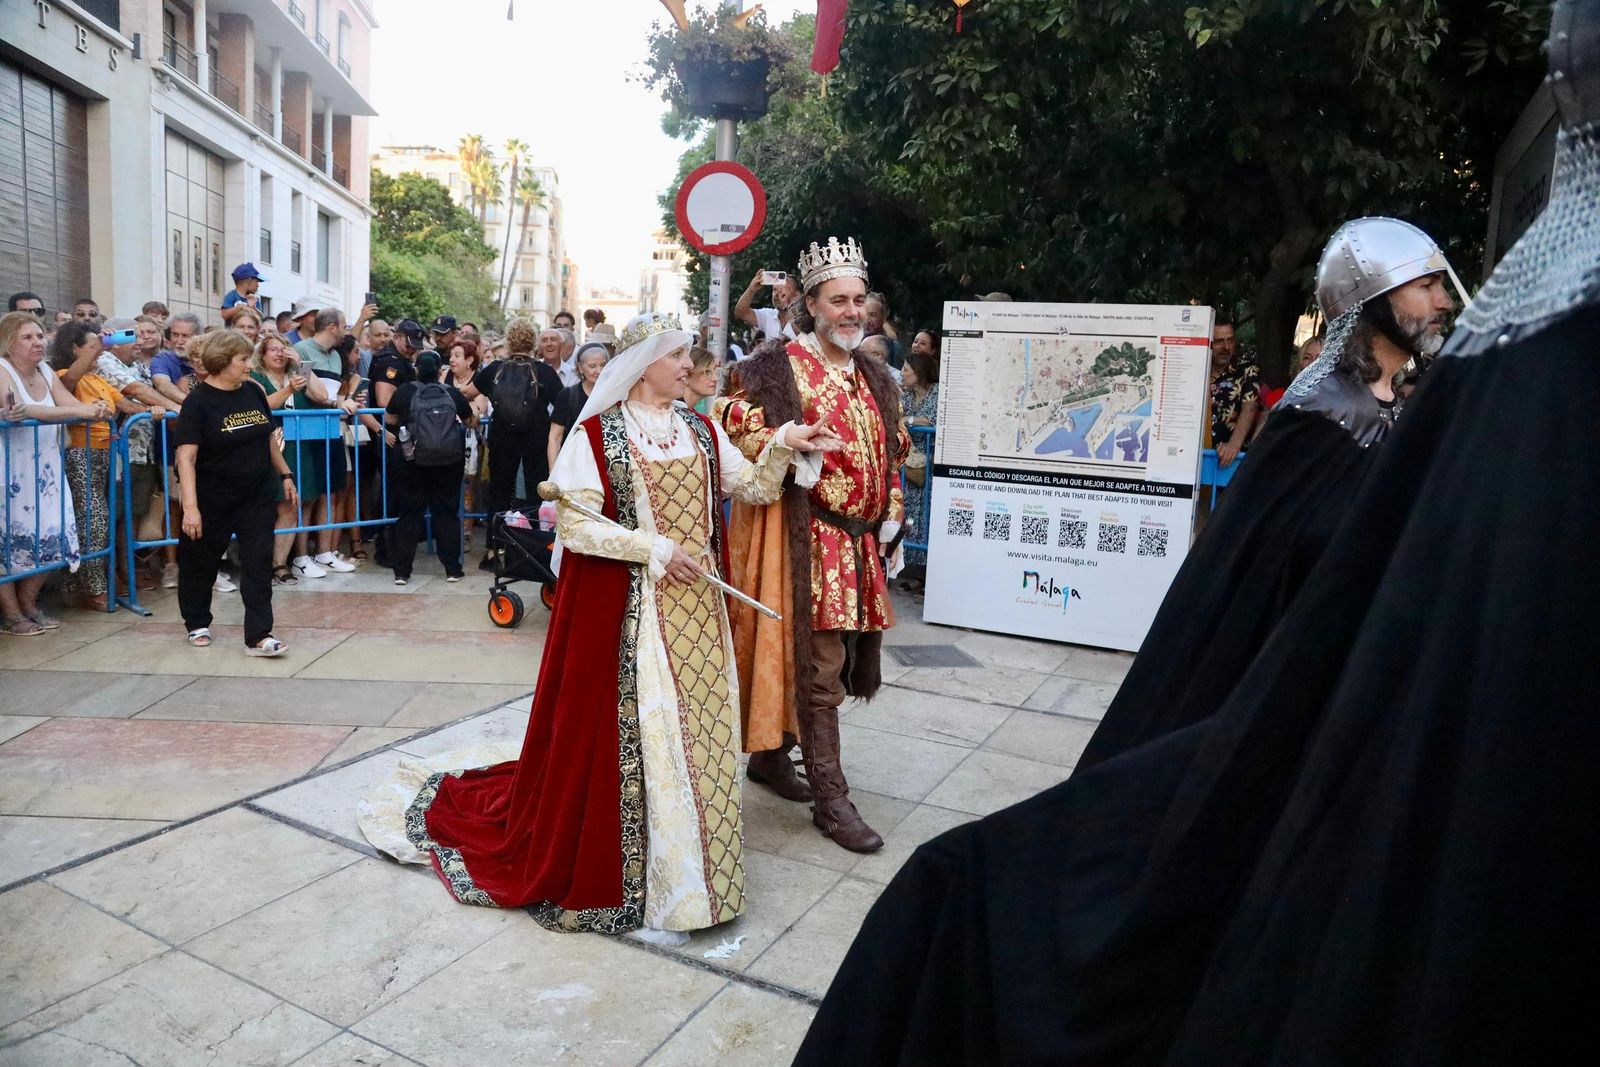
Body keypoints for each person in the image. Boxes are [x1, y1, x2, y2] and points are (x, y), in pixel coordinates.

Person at [794, 220, 1463, 1064]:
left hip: (1350, 710)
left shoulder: (1414, 409)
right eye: (1426, 282)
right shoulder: (1318, 420)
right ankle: (823, 785)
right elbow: (1250, 582)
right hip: (823, 544)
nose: (1442, 297)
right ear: (1369, 300)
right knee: (827, 683)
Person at [376, 311, 840, 939]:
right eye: (677, 355)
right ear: (644, 359)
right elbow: (574, 525)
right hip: (640, 609)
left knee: (701, 735)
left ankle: (703, 879)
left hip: (701, 609)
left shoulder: (700, 432)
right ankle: (654, 874)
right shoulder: (599, 435)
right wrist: (653, 549)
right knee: (654, 731)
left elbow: (753, 489)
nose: (688, 366)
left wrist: (785, 445)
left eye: (688, 356)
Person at [715, 237, 910, 854]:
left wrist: (891, 516)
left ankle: (771, 760)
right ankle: (833, 799)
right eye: (839, 300)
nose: (851, 311)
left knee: (839, 660)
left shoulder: (877, 373)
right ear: (813, 304)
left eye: (859, 301)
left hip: (860, 545)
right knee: (820, 671)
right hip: (805, 542)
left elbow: (894, 451)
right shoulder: (775, 368)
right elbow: (728, 416)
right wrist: (783, 436)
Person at [173, 331, 295, 656]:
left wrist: (285, 473)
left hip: (255, 495)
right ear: (223, 362)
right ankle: (197, 621)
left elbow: (267, 437)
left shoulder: (253, 392)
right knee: (201, 563)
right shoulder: (198, 402)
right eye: (243, 360)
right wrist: (191, 507)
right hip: (212, 497)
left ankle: (259, 635)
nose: (248, 365)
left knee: (257, 563)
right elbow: (186, 456)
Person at [0, 312, 109, 635]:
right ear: (9, 343)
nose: (38, 342)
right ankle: (11, 613)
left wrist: (94, 408)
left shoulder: (45, 370)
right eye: (27, 337)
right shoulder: (2, 369)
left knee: (53, 533)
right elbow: (26, 408)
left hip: (46, 467)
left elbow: (66, 401)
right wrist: (81, 410)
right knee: (7, 540)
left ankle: (30, 603)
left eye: (39, 335)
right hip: (11, 470)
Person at [52, 323, 144, 610]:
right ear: (74, 349)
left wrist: (156, 410)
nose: (100, 349)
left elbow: (127, 406)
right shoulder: (65, 376)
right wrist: (96, 349)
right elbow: (68, 383)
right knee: (94, 519)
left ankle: (79, 584)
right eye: (92, 345)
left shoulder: (98, 379)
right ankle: (93, 588)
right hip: (79, 454)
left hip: (105, 456)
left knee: (96, 520)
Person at [466, 317, 563, 569]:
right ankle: (535, 551)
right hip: (536, 437)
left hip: (501, 436)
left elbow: (466, 393)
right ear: (534, 342)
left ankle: (493, 551)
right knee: (536, 494)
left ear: (509, 341)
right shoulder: (544, 372)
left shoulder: (494, 369)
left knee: (499, 493)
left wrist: (471, 413)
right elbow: (563, 402)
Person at [385, 352, 470, 585]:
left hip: (411, 461)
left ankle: (402, 572)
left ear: (416, 369)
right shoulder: (451, 393)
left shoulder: (405, 391)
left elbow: (389, 418)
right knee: (446, 513)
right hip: (448, 462)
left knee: (410, 513)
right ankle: (453, 569)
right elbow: (470, 419)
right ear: (439, 371)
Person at [290, 308, 359, 577]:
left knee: (330, 491)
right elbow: (310, 390)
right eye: (344, 325)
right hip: (307, 429)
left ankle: (325, 552)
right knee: (307, 495)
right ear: (332, 327)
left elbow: (336, 392)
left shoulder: (336, 357)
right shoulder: (301, 349)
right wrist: (337, 403)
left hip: (332, 429)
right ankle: (300, 557)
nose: (346, 330)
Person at [248, 334, 310, 586]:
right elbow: (264, 406)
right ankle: (260, 564)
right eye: (272, 349)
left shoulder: (296, 374)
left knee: (290, 505)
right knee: (264, 508)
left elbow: (319, 394)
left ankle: (280, 563)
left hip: (297, 446)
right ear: (262, 355)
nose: (278, 353)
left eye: (283, 348)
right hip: (266, 446)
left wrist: (302, 363)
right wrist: (288, 389)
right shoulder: (255, 379)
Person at [898, 346, 940, 583]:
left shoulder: (937, 393)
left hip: (930, 464)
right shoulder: (906, 396)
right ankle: (911, 570)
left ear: (919, 371)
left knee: (927, 516)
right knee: (910, 514)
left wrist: (910, 420)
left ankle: (926, 575)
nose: (902, 373)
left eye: (906, 369)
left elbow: (934, 419)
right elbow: (896, 416)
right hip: (909, 463)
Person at [546, 341, 610, 472]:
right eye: (592, 366)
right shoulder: (568, 395)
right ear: (580, 368)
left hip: (607, 466)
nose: (598, 371)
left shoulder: (615, 395)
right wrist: (553, 474)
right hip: (573, 467)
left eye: (603, 365)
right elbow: (555, 437)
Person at [1207, 316, 1260, 468]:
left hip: (1229, 462)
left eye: (1230, 340)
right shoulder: (1195, 369)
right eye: (1219, 341)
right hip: (1195, 458)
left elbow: (1250, 407)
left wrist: (1233, 445)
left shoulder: (1247, 371)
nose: (1226, 347)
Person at [734, 268, 800, 342]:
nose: (777, 294)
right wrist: (751, 289)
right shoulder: (768, 315)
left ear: (796, 295)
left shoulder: (805, 318)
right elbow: (740, 313)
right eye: (775, 290)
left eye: (783, 289)